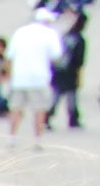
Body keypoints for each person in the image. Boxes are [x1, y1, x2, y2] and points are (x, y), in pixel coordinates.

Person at [5, 7, 63, 139]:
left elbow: (10, 56)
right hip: (39, 78)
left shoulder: (20, 32)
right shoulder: (50, 33)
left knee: (16, 108)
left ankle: (12, 137)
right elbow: (56, 55)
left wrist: (10, 76)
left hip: (19, 77)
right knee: (39, 109)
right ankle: (38, 138)